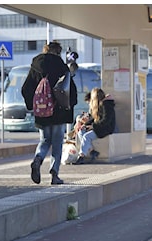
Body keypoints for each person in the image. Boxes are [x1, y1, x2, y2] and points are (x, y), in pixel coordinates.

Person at [21, 41, 78, 185]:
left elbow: (25, 88)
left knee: (44, 140)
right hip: (59, 112)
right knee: (57, 144)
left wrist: (32, 106)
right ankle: (54, 173)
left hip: (42, 111)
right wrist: (70, 105)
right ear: (58, 52)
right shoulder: (61, 66)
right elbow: (70, 89)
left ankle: (37, 160)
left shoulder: (35, 66)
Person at [73, 88, 116, 164]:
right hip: (99, 126)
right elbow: (94, 118)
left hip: (106, 128)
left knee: (87, 136)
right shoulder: (99, 105)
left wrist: (93, 126)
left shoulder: (106, 105)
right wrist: (85, 125)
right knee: (81, 131)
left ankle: (81, 156)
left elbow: (106, 120)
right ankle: (92, 151)